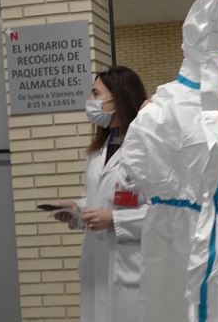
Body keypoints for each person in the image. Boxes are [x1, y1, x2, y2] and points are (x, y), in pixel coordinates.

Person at [53, 66, 148, 322]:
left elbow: (165, 210)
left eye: (96, 93)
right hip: (98, 263)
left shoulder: (146, 147)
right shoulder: (99, 150)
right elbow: (102, 198)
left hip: (131, 266)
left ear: (118, 97)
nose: (90, 101)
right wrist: (76, 210)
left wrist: (115, 220)